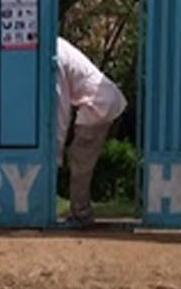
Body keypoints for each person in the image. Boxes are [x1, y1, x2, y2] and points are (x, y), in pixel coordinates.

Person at [55, 36, 128, 227]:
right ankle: (81, 213)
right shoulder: (59, 46)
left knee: (80, 160)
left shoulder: (55, 55)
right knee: (80, 158)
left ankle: (81, 215)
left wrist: (56, 152)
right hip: (102, 102)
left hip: (98, 105)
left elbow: (61, 108)